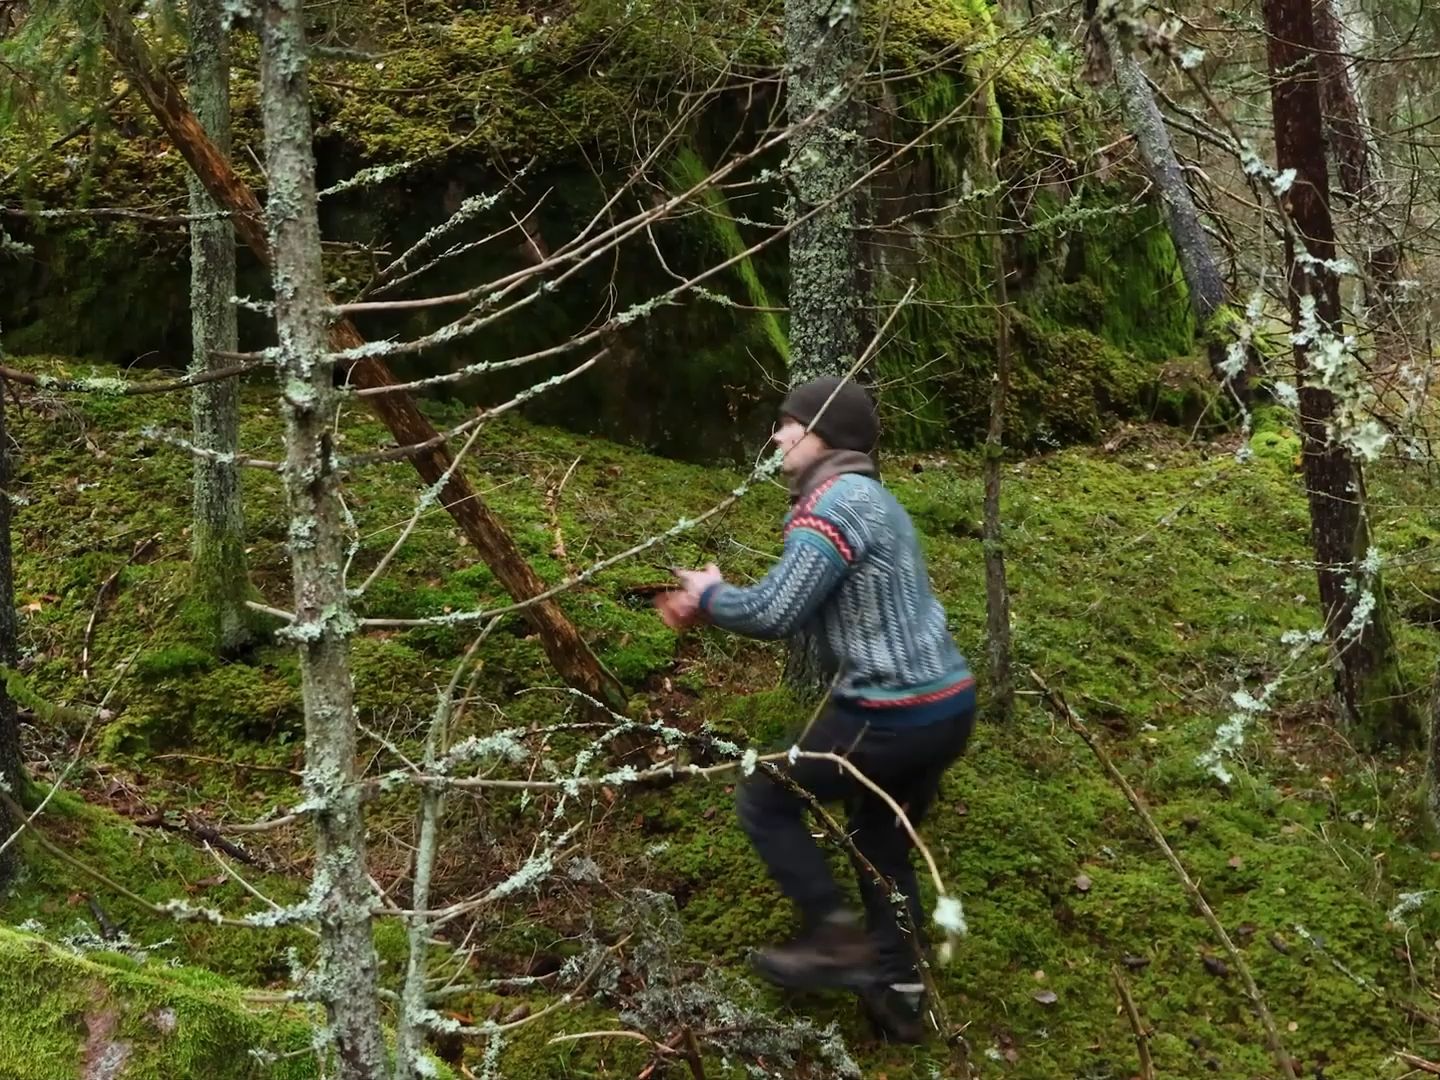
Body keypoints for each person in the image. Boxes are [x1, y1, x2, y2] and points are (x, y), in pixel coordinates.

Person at [657, 375, 976, 1043]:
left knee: (766, 795)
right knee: (881, 839)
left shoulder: (834, 506)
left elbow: (776, 612)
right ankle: (900, 997)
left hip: (892, 711)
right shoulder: (874, 499)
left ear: (818, 434)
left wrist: (709, 596)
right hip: (945, 707)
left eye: (786, 424)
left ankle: (834, 942)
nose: (776, 436)